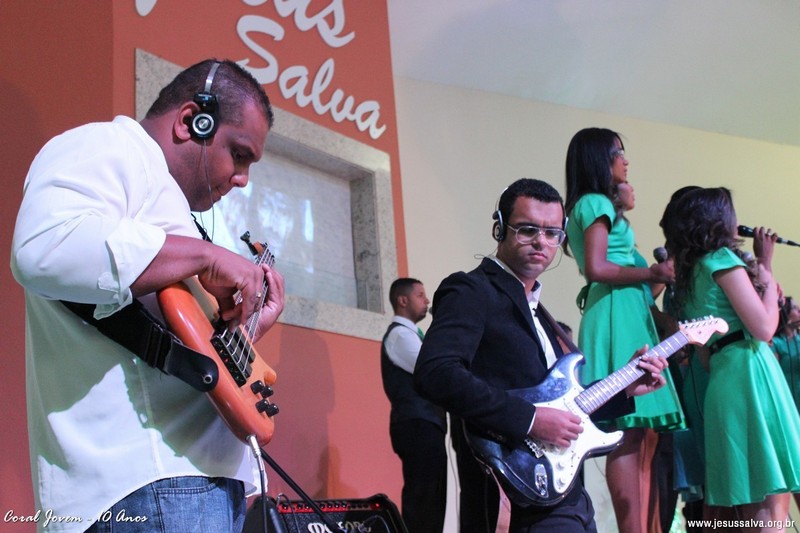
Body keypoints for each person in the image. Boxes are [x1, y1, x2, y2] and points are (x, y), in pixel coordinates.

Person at [10, 59, 285, 533]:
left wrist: (244, 329)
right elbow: (42, 247)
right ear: (191, 121)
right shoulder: (108, 145)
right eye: (239, 154)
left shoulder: (172, 211)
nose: (243, 178)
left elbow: (180, 353)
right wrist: (205, 257)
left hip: (187, 486)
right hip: (149, 484)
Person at [414, 178, 671, 533]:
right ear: (499, 228)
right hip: (515, 492)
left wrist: (625, 388)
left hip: (565, 492)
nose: (541, 241)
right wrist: (530, 420)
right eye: (527, 229)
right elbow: (435, 372)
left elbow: (562, 406)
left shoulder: (538, 311)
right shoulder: (471, 290)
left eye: (552, 233)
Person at [564, 128, 684, 533]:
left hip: (625, 309)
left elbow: (630, 278)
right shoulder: (595, 202)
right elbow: (597, 267)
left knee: (643, 434)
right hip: (615, 313)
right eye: (618, 152)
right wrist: (651, 272)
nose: (625, 160)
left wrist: (656, 278)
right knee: (630, 431)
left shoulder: (597, 205)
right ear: (599, 160)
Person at [663, 187, 800, 529]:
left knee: (751, 499)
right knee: (770, 503)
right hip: (751, 376)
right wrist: (765, 268)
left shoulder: (691, 275)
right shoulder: (722, 261)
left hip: (723, 380)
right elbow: (764, 328)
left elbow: (704, 358)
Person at [380, 278, 446, 533]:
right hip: (418, 423)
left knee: (433, 498)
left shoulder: (413, 336)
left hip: (427, 423)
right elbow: (434, 371)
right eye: (420, 295)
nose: (427, 300)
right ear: (402, 300)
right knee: (423, 499)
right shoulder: (400, 335)